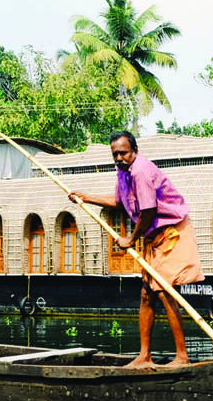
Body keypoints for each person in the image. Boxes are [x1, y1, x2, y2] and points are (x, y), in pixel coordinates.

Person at [69, 131, 203, 368]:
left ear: (135, 151)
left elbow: (149, 211)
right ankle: (144, 356)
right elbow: (120, 203)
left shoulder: (141, 171)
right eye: (115, 154)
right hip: (155, 238)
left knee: (164, 291)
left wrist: (131, 239)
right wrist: (86, 197)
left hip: (172, 233)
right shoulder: (122, 172)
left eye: (123, 152)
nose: (119, 157)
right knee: (146, 294)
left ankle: (182, 357)